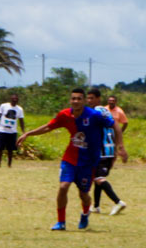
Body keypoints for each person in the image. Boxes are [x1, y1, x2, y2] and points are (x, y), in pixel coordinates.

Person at [18, 88, 127, 231]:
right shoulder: (65, 115)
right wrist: (28, 134)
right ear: (70, 100)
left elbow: (115, 125)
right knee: (63, 187)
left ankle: (85, 213)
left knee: (84, 195)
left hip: (88, 162)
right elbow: (48, 127)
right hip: (70, 158)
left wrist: (120, 146)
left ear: (84, 101)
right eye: (73, 98)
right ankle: (61, 222)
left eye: (79, 99)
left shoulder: (94, 115)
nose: (75, 101)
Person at [87, 89, 127, 215]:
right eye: (88, 98)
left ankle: (118, 202)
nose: (89, 101)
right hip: (108, 150)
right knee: (98, 179)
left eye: (92, 98)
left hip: (102, 151)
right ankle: (96, 206)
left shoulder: (96, 112)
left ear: (98, 99)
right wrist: (116, 148)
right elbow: (113, 129)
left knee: (98, 178)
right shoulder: (104, 111)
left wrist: (119, 147)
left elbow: (115, 127)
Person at [0, 93, 25, 167]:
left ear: (18, 100)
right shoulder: (3, 106)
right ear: (10, 99)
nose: (14, 100)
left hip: (12, 132)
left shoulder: (19, 109)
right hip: (2, 130)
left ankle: (9, 164)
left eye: (16, 99)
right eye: (13, 99)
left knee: (10, 149)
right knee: (0, 148)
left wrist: (23, 132)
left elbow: (21, 120)